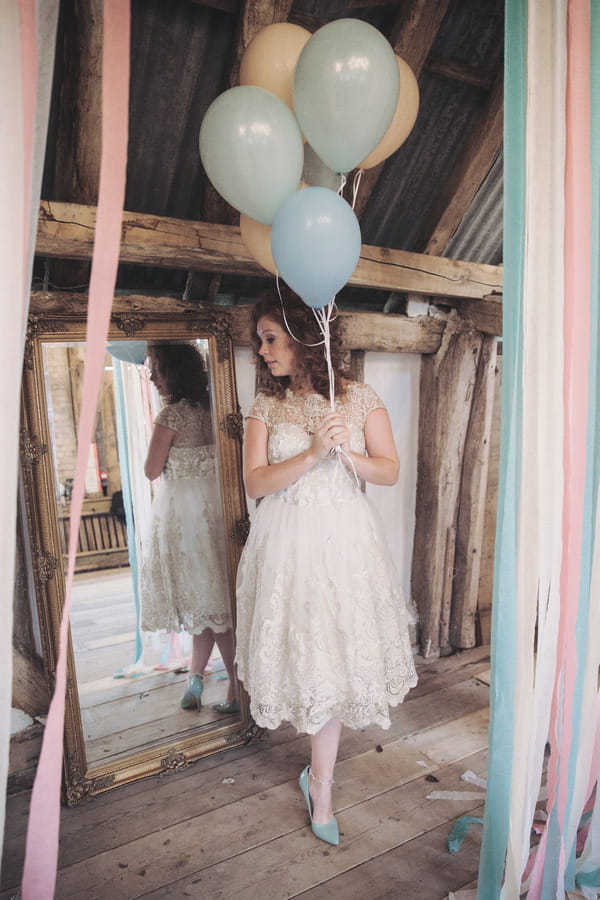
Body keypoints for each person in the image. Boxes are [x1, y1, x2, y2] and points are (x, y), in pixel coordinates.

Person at [235, 290, 418, 846]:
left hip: (344, 542)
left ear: (303, 337)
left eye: (270, 338)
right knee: (304, 654)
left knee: (337, 654)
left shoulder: (358, 397)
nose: (263, 352)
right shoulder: (267, 407)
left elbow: (388, 471)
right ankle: (317, 777)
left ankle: (322, 786)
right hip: (286, 540)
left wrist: (347, 455)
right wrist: (312, 453)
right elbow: (255, 483)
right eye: (260, 341)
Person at [140, 341, 238, 714]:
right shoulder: (215, 407)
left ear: (174, 373)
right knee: (208, 601)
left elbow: (151, 470)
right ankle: (195, 678)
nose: (152, 376)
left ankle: (234, 687)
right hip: (217, 508)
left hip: (183, 516)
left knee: (210, 606)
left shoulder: (171, 417)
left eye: (157, 368)